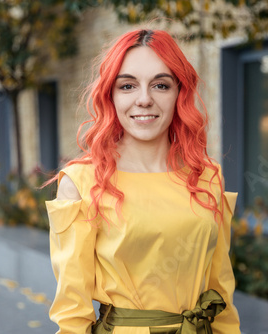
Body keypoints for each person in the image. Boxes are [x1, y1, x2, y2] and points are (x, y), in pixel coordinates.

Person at [45, 29, 240, 334]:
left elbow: (221, 289)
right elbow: (72, 310)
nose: (144, 99)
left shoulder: (208, 176)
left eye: (160, 85)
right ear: (111, 94)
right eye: (128, 86)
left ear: (180, 93)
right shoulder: (81, 181)